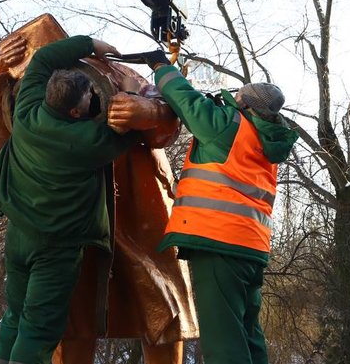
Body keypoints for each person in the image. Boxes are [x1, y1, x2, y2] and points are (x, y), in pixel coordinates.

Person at [112, 51, 299, 364]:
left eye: (237, 97)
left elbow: (185, 100)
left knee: (223, 342)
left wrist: (162, 66)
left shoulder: (227, 128)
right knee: (249, 336)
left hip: (219, 245)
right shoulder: (264, 139)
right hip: (251, 250)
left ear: (245, 106)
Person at [0, 34, 135, 364]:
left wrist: (90, 43)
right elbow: (130, 131)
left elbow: (44, 59)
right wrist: (132, 91)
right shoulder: (89, 141)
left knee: (15, 318)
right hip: (56, 248)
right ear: (77, 112)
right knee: (39, 329)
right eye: (91, 96)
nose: (94, 97)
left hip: (19, 236)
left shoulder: (28, 110)